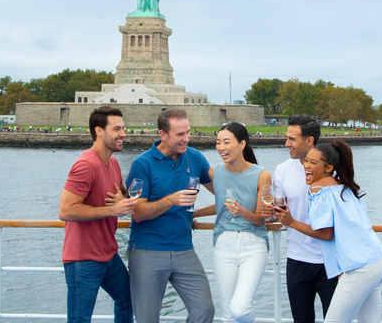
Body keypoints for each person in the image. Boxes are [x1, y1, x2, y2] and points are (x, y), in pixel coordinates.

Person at [276, 140, 382, 323]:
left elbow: (326, 234)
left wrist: (291, 222)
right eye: (306, 161)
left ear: (328, 167)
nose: (306, 166)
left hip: (360, 266)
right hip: (378, 261)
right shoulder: (344, 186)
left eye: (313, 163)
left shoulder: (318, 189)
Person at [126, 108, 214, 323]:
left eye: (188, 132)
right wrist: (171, 200)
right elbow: (137, 213)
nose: (187, 139)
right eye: (180, 135)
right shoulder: (142, 164)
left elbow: (223, 191)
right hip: (148, 251)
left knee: (204, 310)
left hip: (185, 249)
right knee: (147, 318)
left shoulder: (195, 157)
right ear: (162, 134)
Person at [58, 105, 140, 323]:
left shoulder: (112, 162)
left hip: (108, 254)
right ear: (99, 131)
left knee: (128, 299)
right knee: (79, 319)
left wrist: (124, 200)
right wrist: (112, 210)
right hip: (83, 259)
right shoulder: (86, 165)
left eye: (123, 128)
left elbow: (124, 194)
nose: (123, 134)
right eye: (117, 129)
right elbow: (65, 210)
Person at [260, 115, 338, 323]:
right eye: (287, 138)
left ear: (309, 140)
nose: (286, 144)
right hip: (297, 259)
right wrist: (269, 215)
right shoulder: (283, 170)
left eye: (292, 139)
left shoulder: (333, 171)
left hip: (332, 261)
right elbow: (278, 210)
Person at [194, 122, 271, 323]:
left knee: (239, 309)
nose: (221, 147)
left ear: (242, 144)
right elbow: (221, 204)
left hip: (253, 245)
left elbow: (259, 219)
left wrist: (242, 212)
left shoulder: (262, 175)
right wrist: (194, 214)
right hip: (223, 244)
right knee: (228, 315)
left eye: (226, 142)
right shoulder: (215, 173)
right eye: (218, 142)